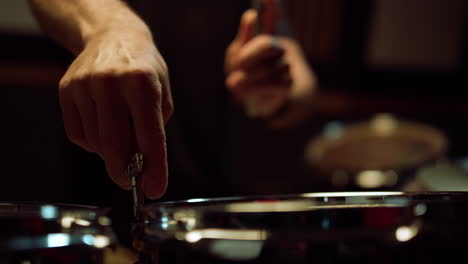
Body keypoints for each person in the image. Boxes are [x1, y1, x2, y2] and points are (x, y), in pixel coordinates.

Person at [28, 0, 317, 202]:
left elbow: (302, 83)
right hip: (96, 204)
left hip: (209, 200)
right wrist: (112, 29)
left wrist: (272, 82)